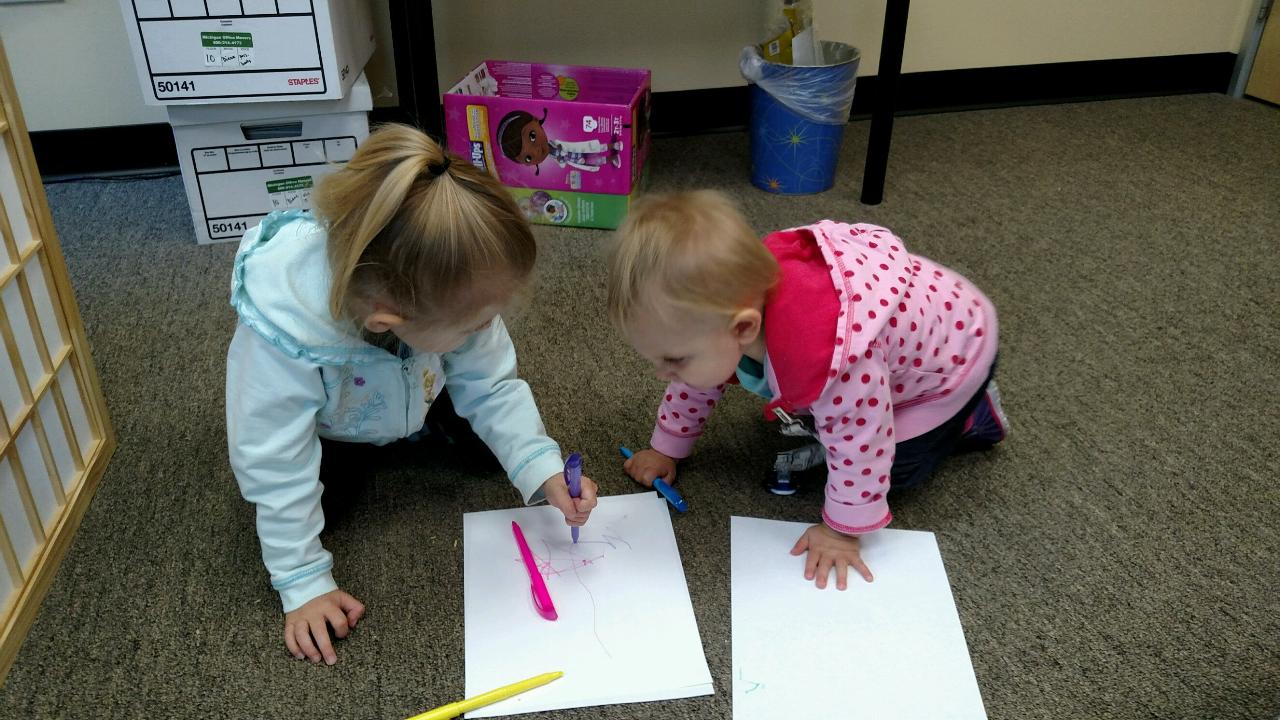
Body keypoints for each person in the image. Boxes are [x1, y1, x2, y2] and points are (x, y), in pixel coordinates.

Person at [226, 124, 597, 665]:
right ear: (387, 320)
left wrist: (541, 468)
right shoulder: (283, 335)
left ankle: (421, 423)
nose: (488, 328)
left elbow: (492, 384)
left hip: (422, 384)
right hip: (336, 424)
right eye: (476, 325)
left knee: (497, 456)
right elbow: (273, 460)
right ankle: (389, 440)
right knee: (319, 504)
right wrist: (301, 580)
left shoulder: (447, 292)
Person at [609, 190, 1007, 589]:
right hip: (921, 324)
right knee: (821, 414)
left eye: (675, 361)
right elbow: (695, 384)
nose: (663, 373)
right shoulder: (730, 312)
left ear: (744, 328)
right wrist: (667, 447)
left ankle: (970, 417)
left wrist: (841, 533)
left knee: (895, 468)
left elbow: (862, 446)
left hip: (955, 361)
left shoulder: (836, 362)